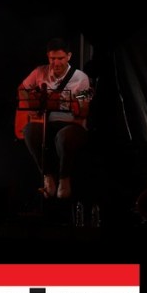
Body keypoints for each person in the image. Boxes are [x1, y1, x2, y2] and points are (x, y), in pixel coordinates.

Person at [19, 37, 92, 200]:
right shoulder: (40, 72)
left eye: (61, 58)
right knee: (29, 130)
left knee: (63, 137)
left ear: (69, 56)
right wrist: (31, 105)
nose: (56, 63)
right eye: (53, 59)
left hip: (72, 125)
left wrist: (75, 103)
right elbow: (22, 89)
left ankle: (64, 179)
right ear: (48, 57)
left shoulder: (81, 78)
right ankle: (47, 176)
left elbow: (85, 108)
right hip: (47, 122)